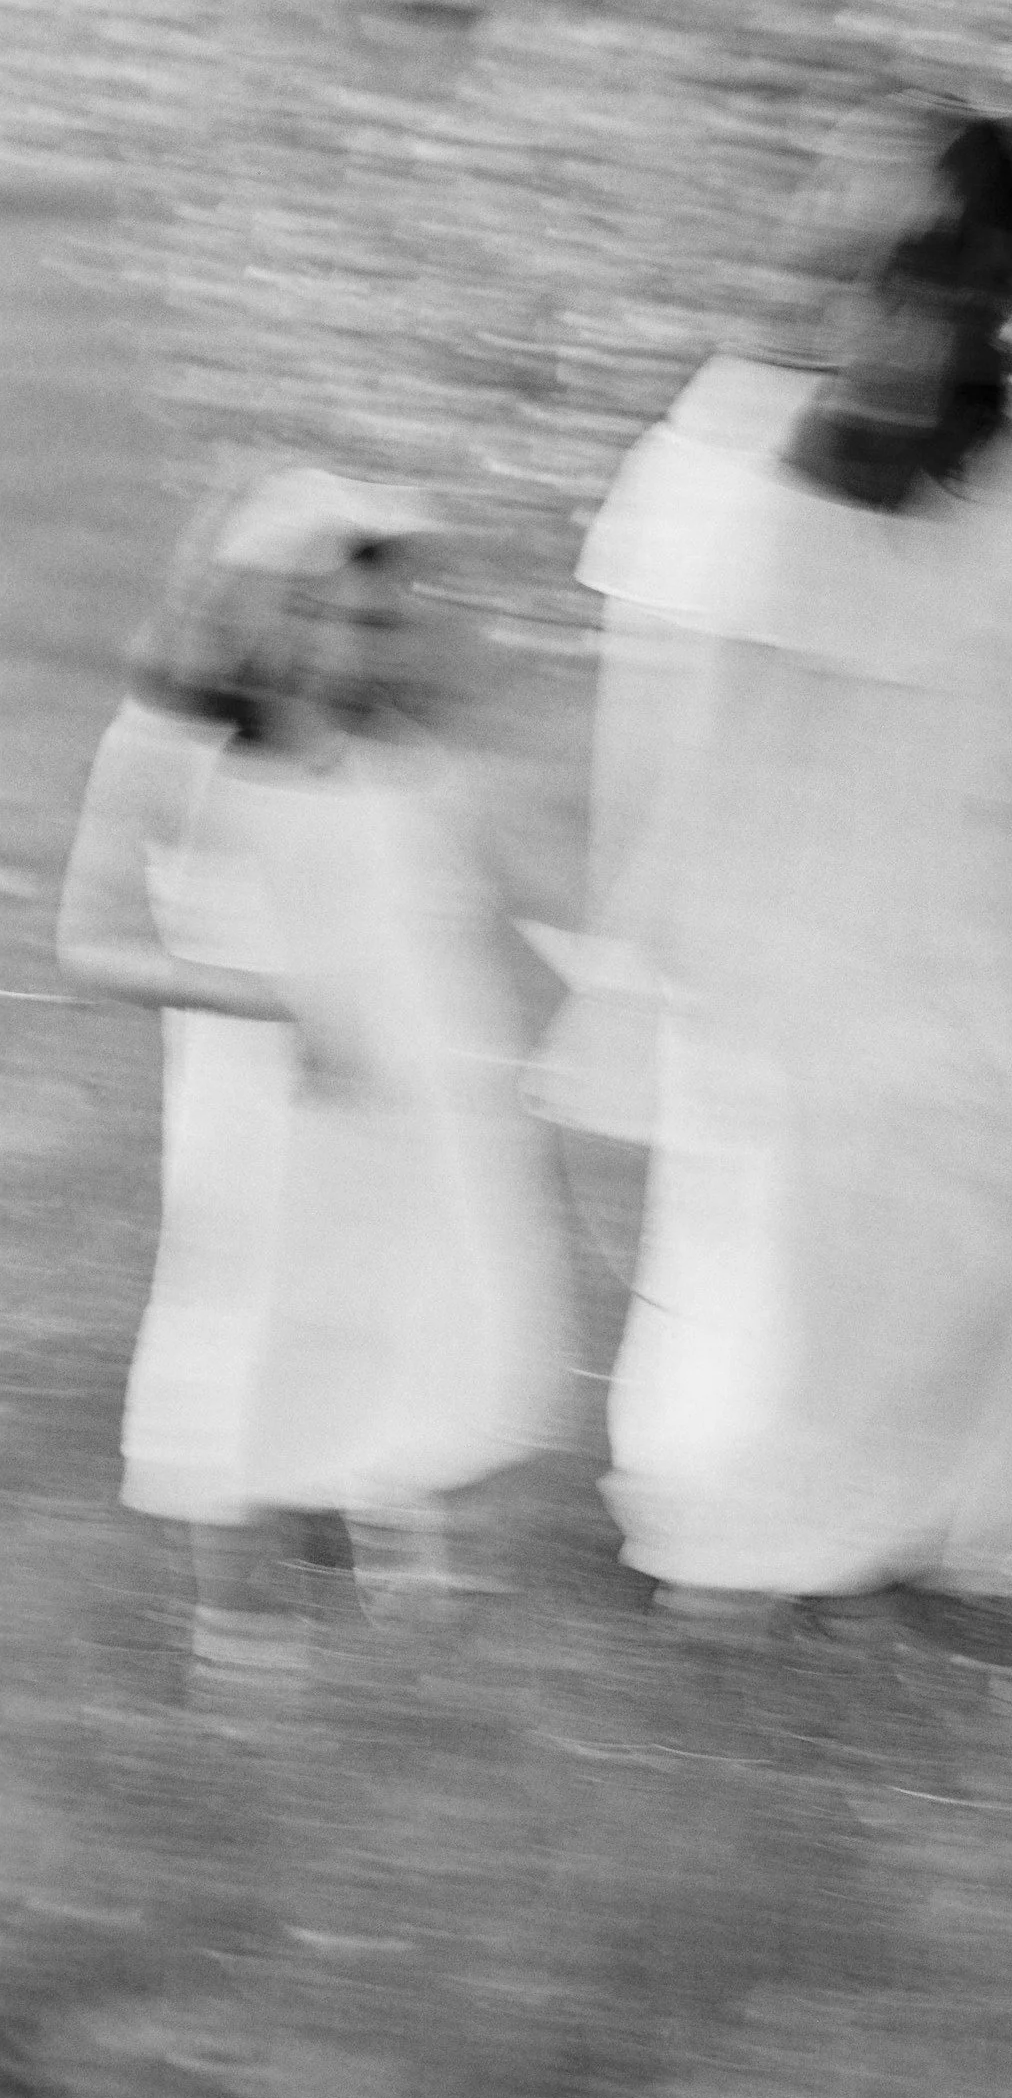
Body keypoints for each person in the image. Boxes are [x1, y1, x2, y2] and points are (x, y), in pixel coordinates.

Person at [540, 96, 1012, 1650]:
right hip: (766, 911)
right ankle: (737, 1551)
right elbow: (661, 724)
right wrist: (631, 962)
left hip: (946, 902)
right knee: (787, 1250)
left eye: (950, 274)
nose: (906, 309)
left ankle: (908, 1527)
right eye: (882, 274)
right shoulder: (729, 442)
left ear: (1007, 282)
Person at [55, 470, 571, 1689]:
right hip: (270, 1102)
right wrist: (267, 999)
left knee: (417, 1303)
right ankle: (238, 1617)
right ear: (242, 607)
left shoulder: (416, 756)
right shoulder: (173, 752)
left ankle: (393, 1532)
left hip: (429, 1096)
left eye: (369, 618)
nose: (336, 642)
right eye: (308, 609)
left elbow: (508, 895)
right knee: (253, 1323)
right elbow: (92, 944)